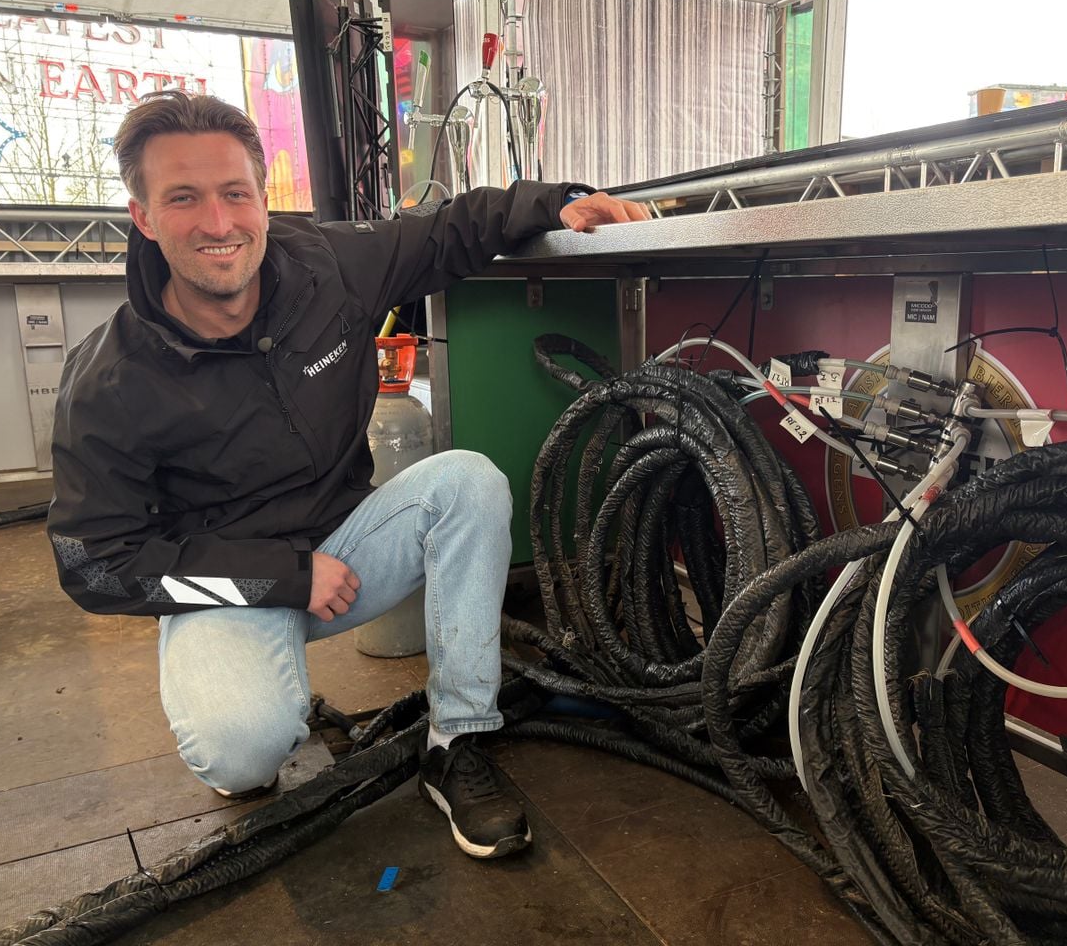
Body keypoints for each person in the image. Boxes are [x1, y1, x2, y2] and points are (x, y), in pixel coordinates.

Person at [47, 90, 649, 860]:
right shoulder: (108, 381)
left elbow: (447, 231)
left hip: (350, 547)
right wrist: (281, 577)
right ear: (143, 216)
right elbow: (94, 565)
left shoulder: (325, 267)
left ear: (262, 198)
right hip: (229, 577)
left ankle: (456, 740)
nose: (220, 223)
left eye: (235, 193)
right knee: (243, 752)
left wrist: (562, 202)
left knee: (468, 481)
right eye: (184, 198)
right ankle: (238, 683)